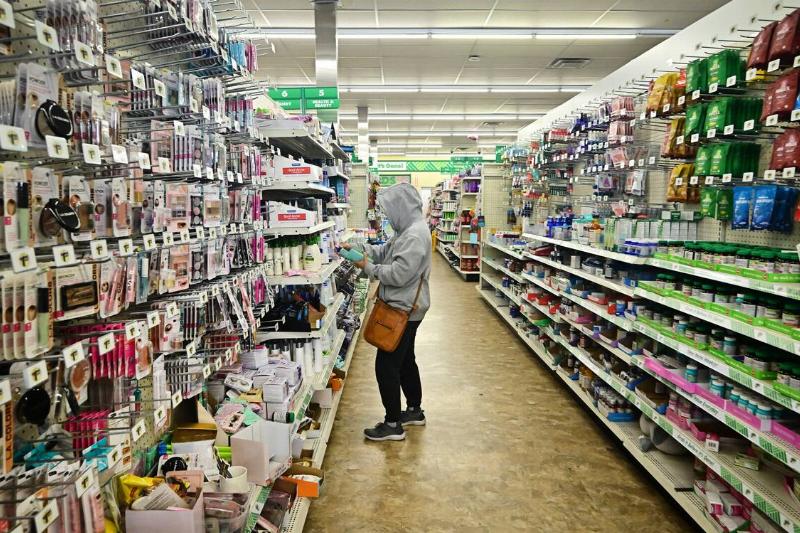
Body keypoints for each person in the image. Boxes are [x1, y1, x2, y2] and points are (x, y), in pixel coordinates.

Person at [344, 182, 432, 442]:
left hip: (403, 308)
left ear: (401, 207)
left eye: (389, 210)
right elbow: (387, 252)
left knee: (386, 365)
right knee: (405, 359)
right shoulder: (407, 230)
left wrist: (367, 266)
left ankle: (393, 423)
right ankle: (414, 410)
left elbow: (398, 274)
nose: (387, 216)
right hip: (407, 307)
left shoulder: (414, 234)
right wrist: (363, 250)